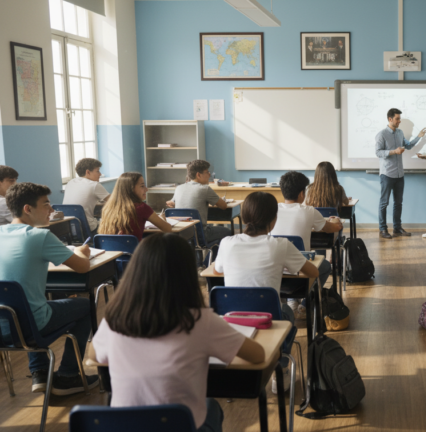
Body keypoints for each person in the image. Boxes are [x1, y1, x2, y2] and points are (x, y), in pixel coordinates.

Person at [92, 233, 265, 432]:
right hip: (181, 425)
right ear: (187, 275)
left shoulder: (116, 319)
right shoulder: (200, 321)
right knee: (212, 407)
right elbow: (258, 355)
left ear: (135, 272)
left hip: (124, 427)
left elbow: (94, 355)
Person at [214, 192, 319, 394]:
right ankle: (281, 369)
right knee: (286, 312)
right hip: (269, 318)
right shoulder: (280, 245)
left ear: (244, 216)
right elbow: (313, 272)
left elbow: (218, 270)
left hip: (231, 319)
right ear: (273, 220)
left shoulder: (227, 242)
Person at [0, 182, 99, 395]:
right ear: (28, 209)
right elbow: (82, 267)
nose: (52, 210)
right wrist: (80, 252)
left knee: (30, 304)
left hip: (3, 328)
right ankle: (68, 376)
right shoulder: (40, 236)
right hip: (32, 327)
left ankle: (40, 373)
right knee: (86, 306)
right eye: (46, 204)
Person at [271, 171, 341, 319]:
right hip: (301, 267)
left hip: (275, 266)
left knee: (288, 262)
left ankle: (291, 301)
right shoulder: (309, 211)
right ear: (302, 193)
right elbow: (331, 228)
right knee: (325, 266)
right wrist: (337, 222)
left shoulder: (273, 209)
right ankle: (305, 304)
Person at [375, 108, 426, 239]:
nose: (399, 121)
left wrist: (419, 137)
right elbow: (378, 152)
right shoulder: (381, 135)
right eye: (397, 119)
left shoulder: (400, 133)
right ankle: (383, 229)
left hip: (399, 175)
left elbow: (408, 146)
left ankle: (397, 229)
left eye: (400, 119)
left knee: (398, 203)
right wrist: (394, 151)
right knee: (384, 203)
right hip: (387, 174)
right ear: (390, 119)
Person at [166, 160, 230, 244]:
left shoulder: (179, 188)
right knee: (228, 231)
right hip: (200, 234)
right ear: (198, 175)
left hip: (182, 234)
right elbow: (223, 206)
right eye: (207, 172)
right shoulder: (205, 189)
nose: (209, 174)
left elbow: (171, 203)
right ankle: (213, 252)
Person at [99, 172, 172, 240]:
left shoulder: (108, 208)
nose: (146, 189)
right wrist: (162, 219)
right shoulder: (141, 207)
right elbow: (168, 229)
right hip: (133, 249)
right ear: (131, 189)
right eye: (142, 186)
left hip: (109, 250)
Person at [62, 158, 110, 234]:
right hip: (88, 228)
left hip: (70, 227)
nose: (100, 174)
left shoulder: (70, 182)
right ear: (88, 172)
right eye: (97, 171)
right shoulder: (94, 185)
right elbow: (115, 202)